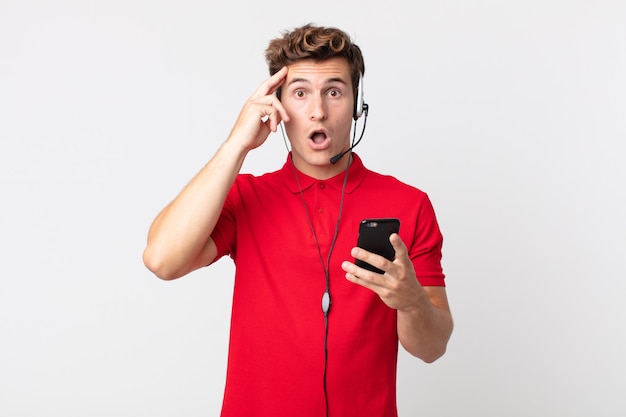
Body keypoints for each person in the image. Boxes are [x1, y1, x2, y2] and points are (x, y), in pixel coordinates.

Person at [143, 23, 453, 417]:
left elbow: (432, 348)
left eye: (334, 92)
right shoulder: (244, 197)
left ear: (357, 105)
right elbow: (161, 259)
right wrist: (236, 143)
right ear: (279, 107)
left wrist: (410, 303)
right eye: (301, 93)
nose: (318, 110)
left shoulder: (409, 204)